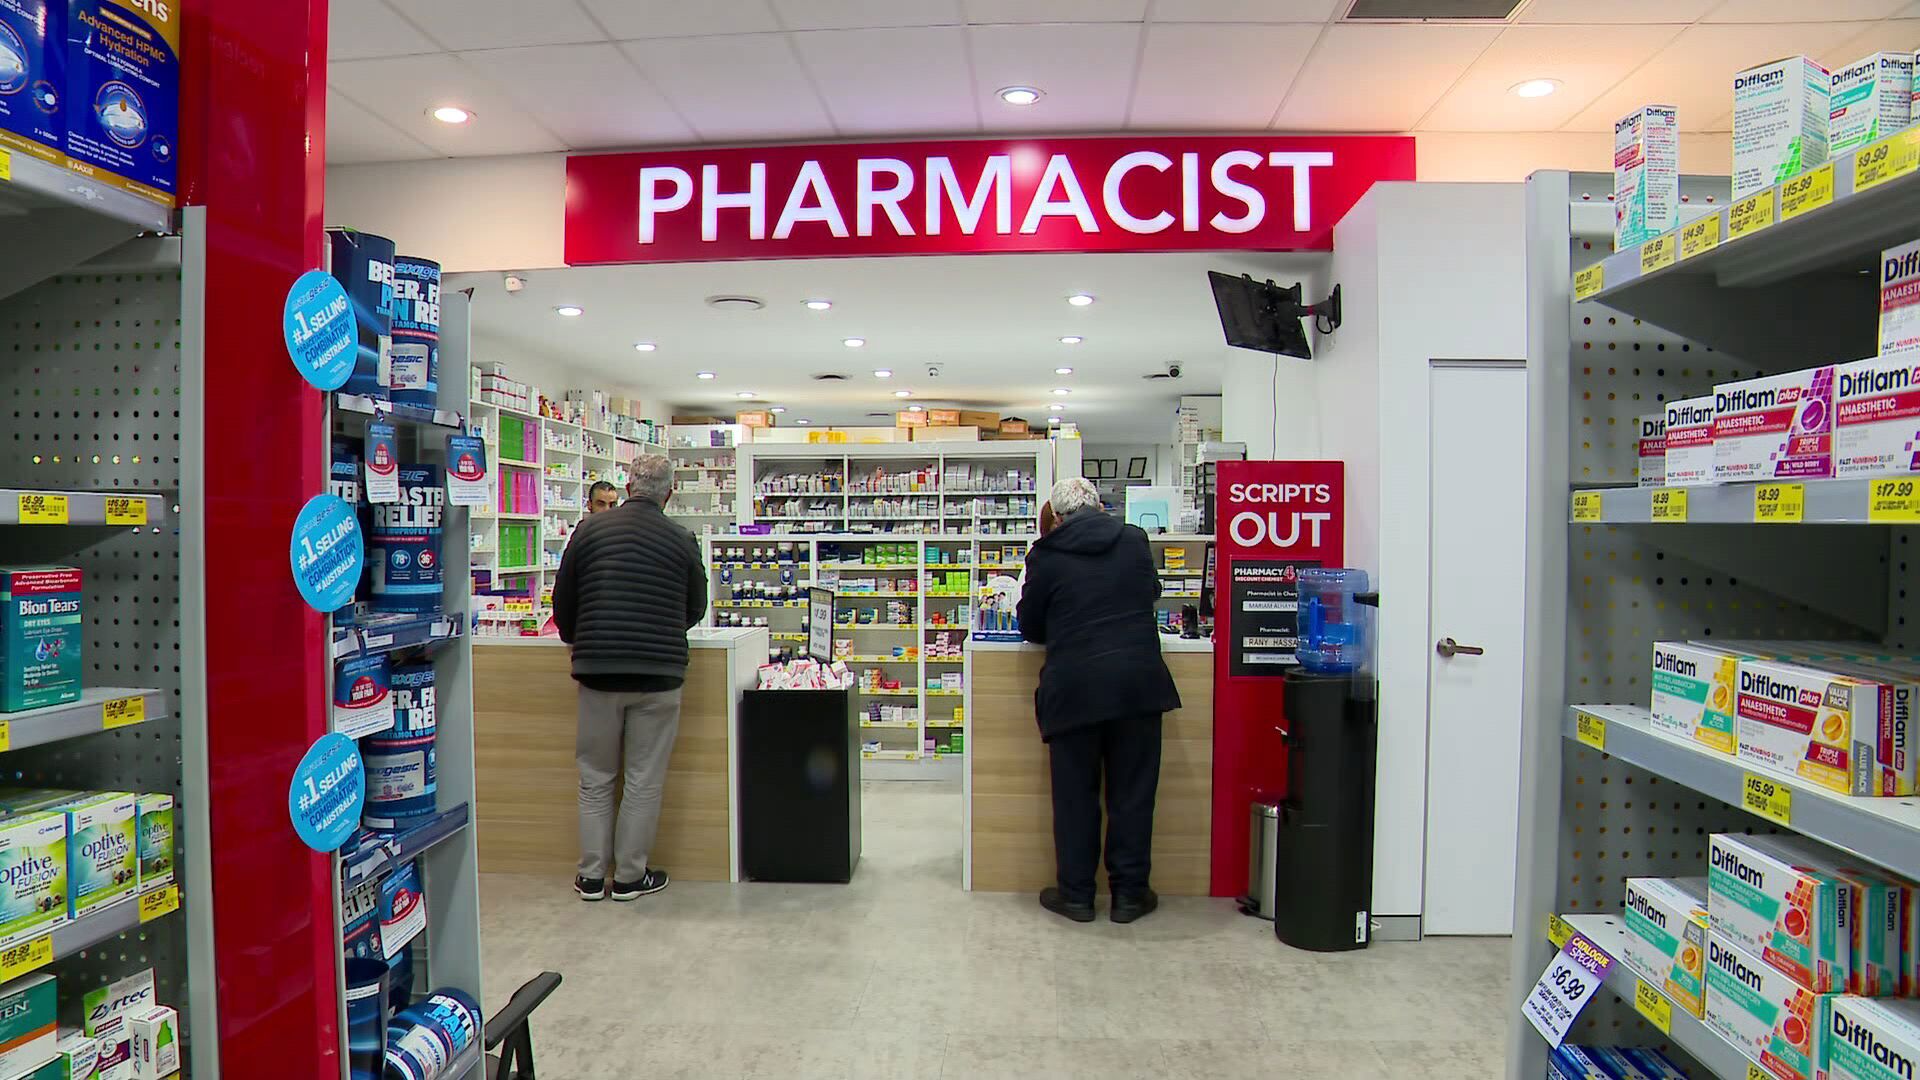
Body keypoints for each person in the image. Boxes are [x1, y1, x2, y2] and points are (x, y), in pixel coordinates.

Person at [1017, 476, 1181, 924]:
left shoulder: (1046, 554)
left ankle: (1076, 896)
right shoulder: (1134, 540)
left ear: (1057, 516)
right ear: (1099, 506)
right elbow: (1150, 593)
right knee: (1133, 795)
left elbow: (1031, 626)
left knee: (1076, 797)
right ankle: (1129, 896)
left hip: (1075, 690)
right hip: (1136, 687)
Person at [552, 455, 706, 902]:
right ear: (669, 493)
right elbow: (695, 607)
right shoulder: (681, 539)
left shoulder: (589, 531)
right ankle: (630, 877)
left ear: (627, 487)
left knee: (595, 777)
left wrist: (584, 637)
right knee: (643, 779)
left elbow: (563, 602)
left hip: (599, 671)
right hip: (659, 676)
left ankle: (591, 876)